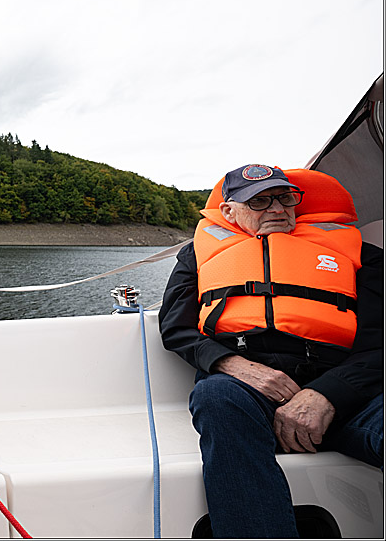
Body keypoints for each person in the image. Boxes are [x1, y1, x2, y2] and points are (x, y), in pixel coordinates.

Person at [159, 163, 383, 537]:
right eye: (259, 201)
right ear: (230, 210)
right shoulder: (199, 255)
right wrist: (237, 366)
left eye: (284, 197)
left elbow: (381, 343)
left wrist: (326, 394)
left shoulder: (362, 254)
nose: (277, 209)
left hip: (348, 393)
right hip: (246, 391)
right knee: (215, 396)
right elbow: (176, 328)